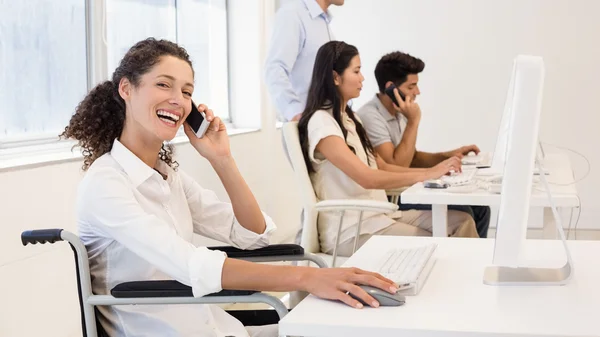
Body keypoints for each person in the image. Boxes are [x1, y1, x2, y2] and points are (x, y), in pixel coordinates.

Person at [60, 38, 398, 337]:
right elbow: (192, 264)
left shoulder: (167, 177)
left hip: (218, 327)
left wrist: (222, 160)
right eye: (164, 85)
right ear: (126, 89)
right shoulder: (106, 184)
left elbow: (254, 234)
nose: (178, 100)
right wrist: (307, 279)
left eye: (187, 91)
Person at [297, 41, 479, 257]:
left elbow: (382, 166)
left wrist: (437, 170)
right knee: (440, 243)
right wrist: (428, 174)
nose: (363, 78)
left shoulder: (350, 119)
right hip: (350, 231)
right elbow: (368, 178)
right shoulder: (322, 123)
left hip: (377, 217)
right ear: (336, 77)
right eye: (356, 71)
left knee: (462, 221)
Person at [356, 51, 491, 238]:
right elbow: (396, 166)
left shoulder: (398, 112)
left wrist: (450, 156)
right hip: (393, 195)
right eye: (412, 86)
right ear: (390, 88)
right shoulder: (370, 117)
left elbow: (413, 156)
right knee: (464, 210)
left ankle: (473, 258)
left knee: (481, 208)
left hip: (407, 186)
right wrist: (413, 121)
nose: (417, 92)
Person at [264, 0, 344, 122]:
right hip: (308, 126)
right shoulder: (293, 14)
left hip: (326, 123)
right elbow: (275, 69)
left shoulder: (323, 21)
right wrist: (295, 113)